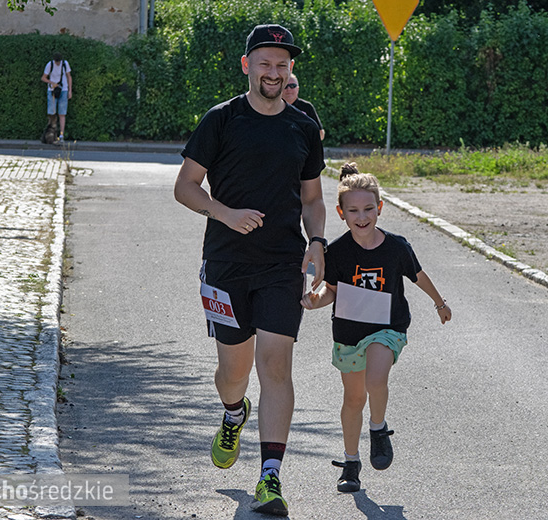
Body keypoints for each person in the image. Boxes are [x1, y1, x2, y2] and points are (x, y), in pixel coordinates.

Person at [173, 24, 326, 517]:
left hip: (283, 263)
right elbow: (186, 186)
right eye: (265, 63)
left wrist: (318, 243)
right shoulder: (222, 119)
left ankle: (271, 477)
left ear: (290, 71)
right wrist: (226, 213)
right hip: (226, 263)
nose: (274, 72)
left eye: (282, 65)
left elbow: (313, 199)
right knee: (232, 373)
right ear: (247, 66)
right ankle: (233, 414)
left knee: (276, 366)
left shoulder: (302, 125)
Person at [301, 162, 452, 493]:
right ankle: (351, 463)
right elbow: (332, 291)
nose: (362, 216)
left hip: (388, 328)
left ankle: (378, 428)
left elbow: (418, 276)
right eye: (353, 210)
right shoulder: (337, 251)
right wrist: (315, 301)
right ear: (341, 213)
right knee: (353, 399)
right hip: (348, 334)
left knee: (375, 378)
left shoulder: (396, 247)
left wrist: (439, 303)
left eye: (369, 208)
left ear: (380, 208)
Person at [282, 73, 325, 141]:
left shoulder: (307, 107)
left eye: (293, 86)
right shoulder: (273, 108)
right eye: (285, 86)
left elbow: (320, 133)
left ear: (298, 89)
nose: (289, 89)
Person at [40, 52, 72, 143]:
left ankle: (61, 135)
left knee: (62, 114)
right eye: (56, 62)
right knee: (52, 113)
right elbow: (43, 78)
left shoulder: (65, 64)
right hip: (52, 91)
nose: (57, 63)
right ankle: (51, 135)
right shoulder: (49, 65)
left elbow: (69, 77)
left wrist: (70, 90)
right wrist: (52, 83)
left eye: (59, 62)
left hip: (63, 89)